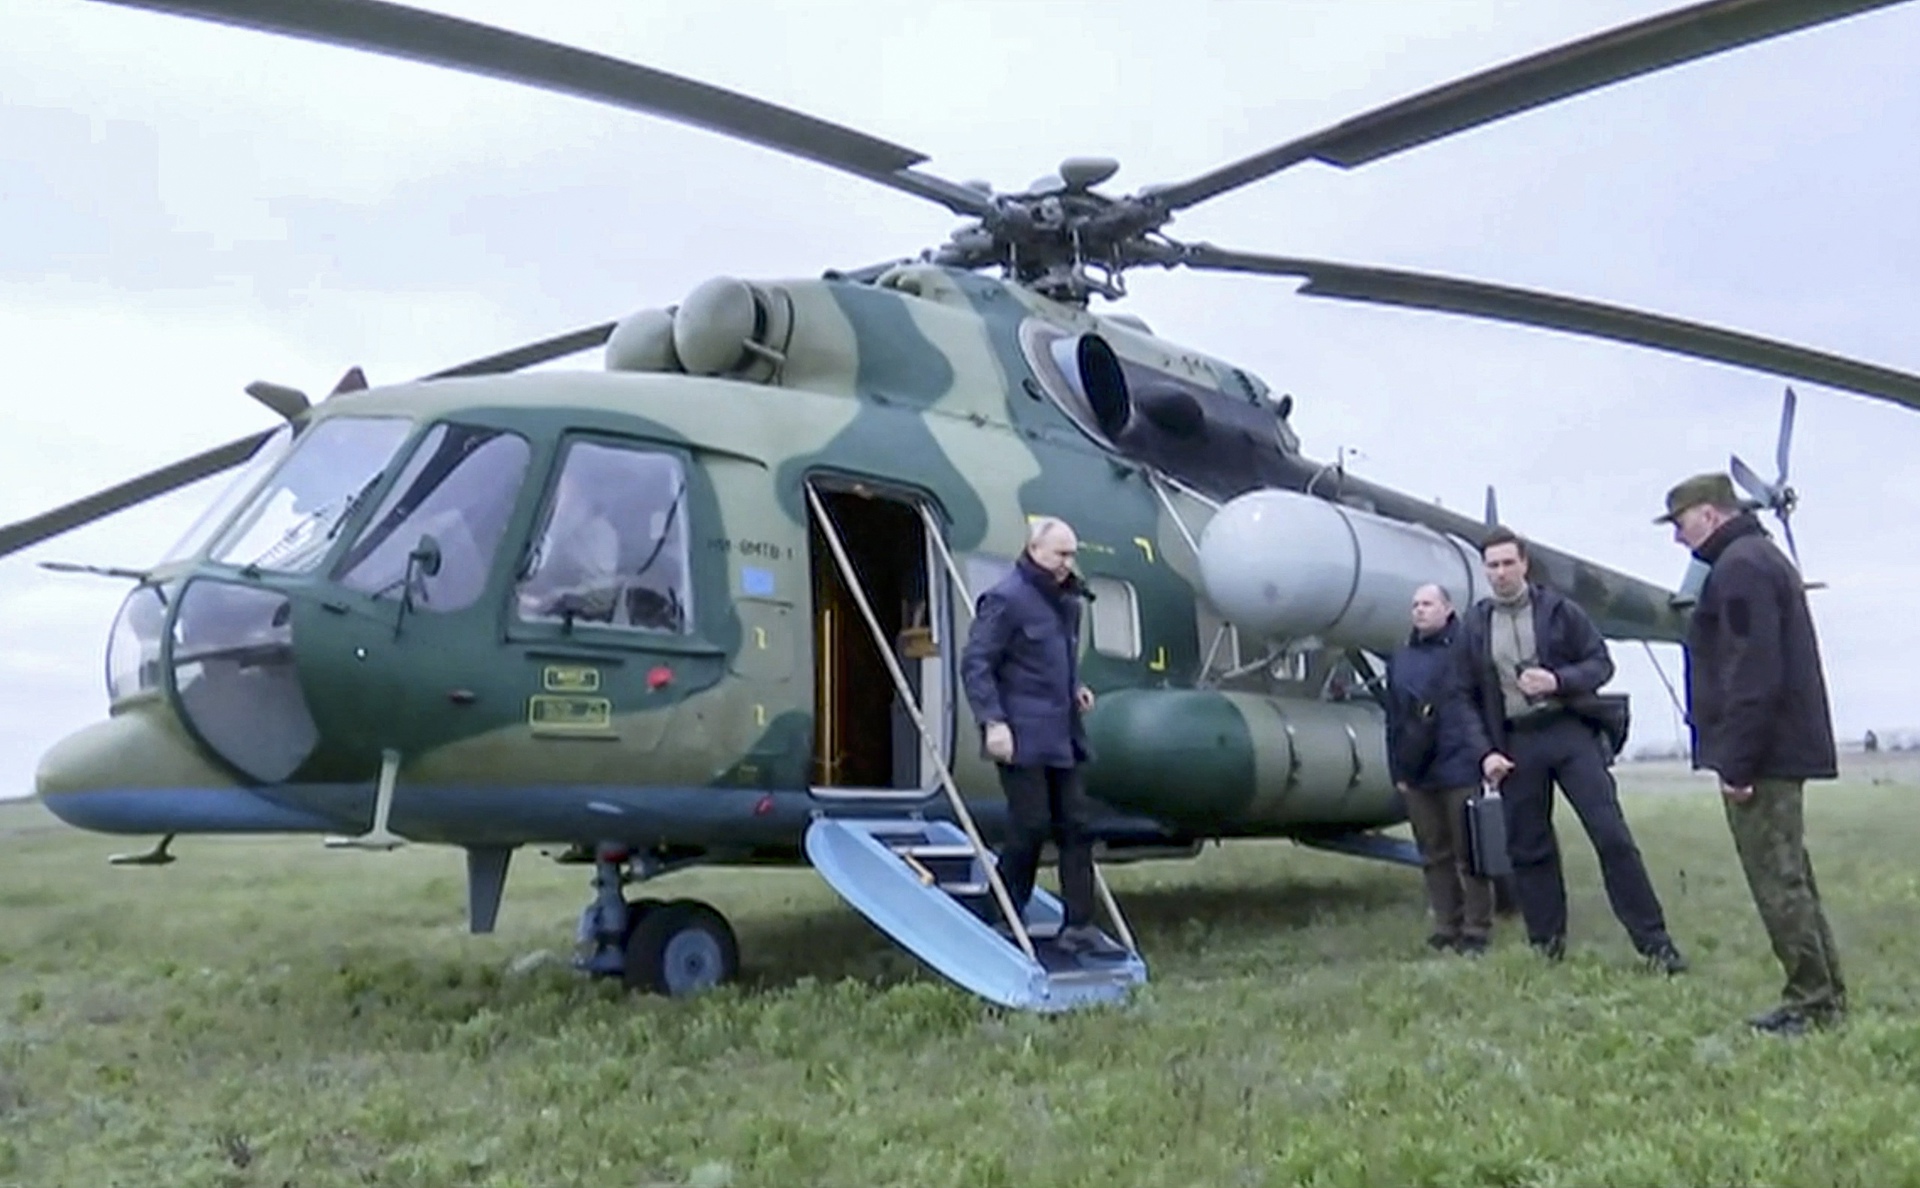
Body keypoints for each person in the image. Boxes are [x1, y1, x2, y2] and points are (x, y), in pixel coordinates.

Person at [1658, 472, 1845, 1034]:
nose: (1677, 537)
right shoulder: (1757, 559)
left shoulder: (1739, 569)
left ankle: (1811, 1004)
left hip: (1765, 755)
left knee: (1777, 881)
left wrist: (1737, 763)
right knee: (1792, 877)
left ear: (1710, 513)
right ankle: (1824, 995)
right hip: (1778, 747)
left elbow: (1752, 670)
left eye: (1681, 522)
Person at [1456, 527, 1688, 972]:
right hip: (1516, 743)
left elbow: (1601, 663)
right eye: (1492, 565)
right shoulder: (1475, 624)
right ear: (1484, 571)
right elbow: (1461, 695)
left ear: (1524, 564)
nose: (1501, 573)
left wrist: (1558, 680)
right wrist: (1485, 752)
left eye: (1508, 563)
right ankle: (1546, 946)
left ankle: (1655, 944)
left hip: (1568, 733)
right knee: (1529, 847)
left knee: (1611, 835)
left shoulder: (1560, 611)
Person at [960, 516, 1122, 957]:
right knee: (1029, 825)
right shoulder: (1006, 599)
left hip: (1062, 733)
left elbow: (1053, 661)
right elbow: (976, 665)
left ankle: (1079, 924)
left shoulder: (1067, 601)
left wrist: (1075, 689)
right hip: (1020, 734)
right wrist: (993, 722)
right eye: (1061, 554)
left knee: (1077, 825)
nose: (1069, 562)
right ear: (1035, 550)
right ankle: (1002, 908)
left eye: (1072, 554)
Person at [1385, 583, 1495, 955]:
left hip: (1461, 763)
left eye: (1428, 604)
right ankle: (1446, 925)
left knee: (1470, 852)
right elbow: (1394, 717)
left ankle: (1477, 928)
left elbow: (1484, 704)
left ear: (1448, 609)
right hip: (1419, 770)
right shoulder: (1400, 657)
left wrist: (1486, 755)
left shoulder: (1468, 650)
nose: (1419, 610)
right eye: (1415, 604)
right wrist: (1398, 768)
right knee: (1432, 852)